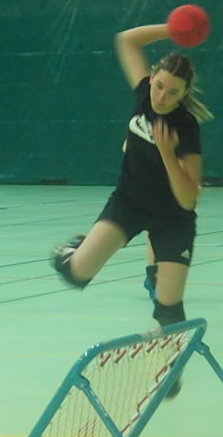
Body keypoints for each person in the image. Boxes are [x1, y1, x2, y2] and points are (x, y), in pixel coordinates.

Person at [50, 22, 206, 333]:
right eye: (159, 85)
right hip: (130, 202)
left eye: (173, 92)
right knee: (76, 274)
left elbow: (189, 198)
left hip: (173, 218)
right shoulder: (144, 94)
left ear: (184, 93)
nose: (162, 96)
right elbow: (125, 40)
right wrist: (173, 29)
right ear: (152, 76)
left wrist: (167, 153)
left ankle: (170, 361)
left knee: (169, 312)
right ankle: (76, 249)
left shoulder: (186, 127)